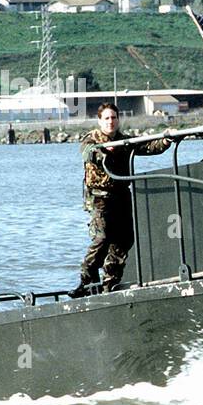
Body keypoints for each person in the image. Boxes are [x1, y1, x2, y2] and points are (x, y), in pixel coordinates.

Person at [75, 103, 172, 294]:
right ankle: (87, 278)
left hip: (121, 196)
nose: (110, 122)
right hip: (99, 197)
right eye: (107, 118)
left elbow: (148, 146)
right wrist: (104, 152)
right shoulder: (92, 139)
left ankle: (110, 285)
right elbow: (88, 153)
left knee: (123, 241)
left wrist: (166, 140)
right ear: (100, 121)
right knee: (102, 238)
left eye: (113, 118)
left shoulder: (124, 141)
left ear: (118, 120)